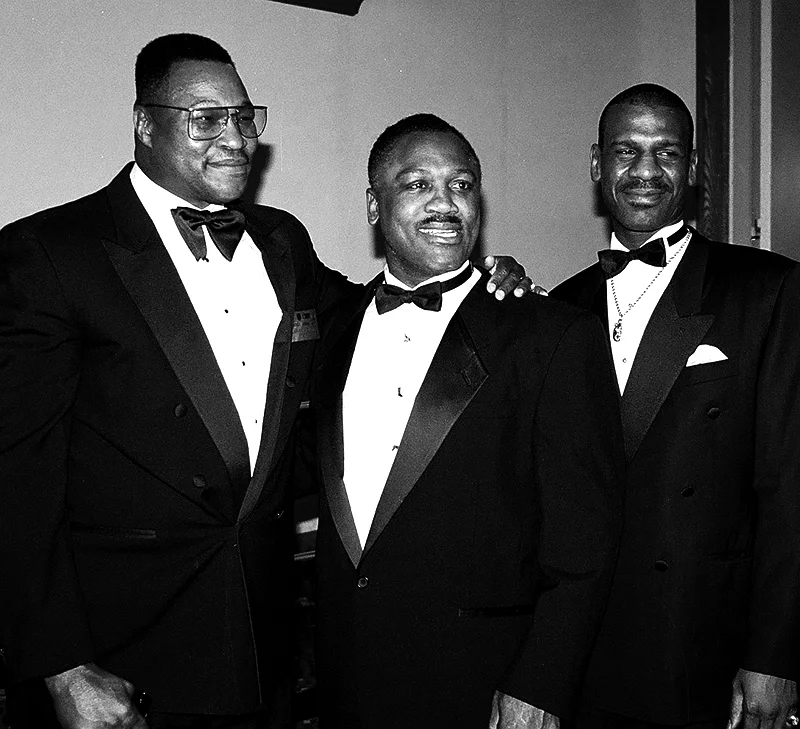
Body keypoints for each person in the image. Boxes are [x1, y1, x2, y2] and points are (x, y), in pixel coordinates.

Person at [0, 34, 529, 729]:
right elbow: (16, 478)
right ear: (144, 123)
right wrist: (61, 667)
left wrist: (481, 289)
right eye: (205, 117)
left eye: (245, 117)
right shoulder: (50, 253)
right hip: (118, 660)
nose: (236, 137)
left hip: (262, 648)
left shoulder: (281, 241)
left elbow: (379, 310)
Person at [311, 113, 625, 729]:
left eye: (461, 185)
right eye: (416, 184)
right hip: (348, 672)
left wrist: (540, 684)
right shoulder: (333, 328)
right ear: (374, 205)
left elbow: (587, 540)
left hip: (483, 679)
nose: (444, 203)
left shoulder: (552, 335)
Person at [551, 84, 800, 729]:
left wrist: (774, 657)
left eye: (666, 153)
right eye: (625, 151)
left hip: (700, 641)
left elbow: (790, 490)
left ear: (692, 171)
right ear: (596, 166)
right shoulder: (560, 306)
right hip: (585, 643)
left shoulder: (767, 290)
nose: (644, 171)